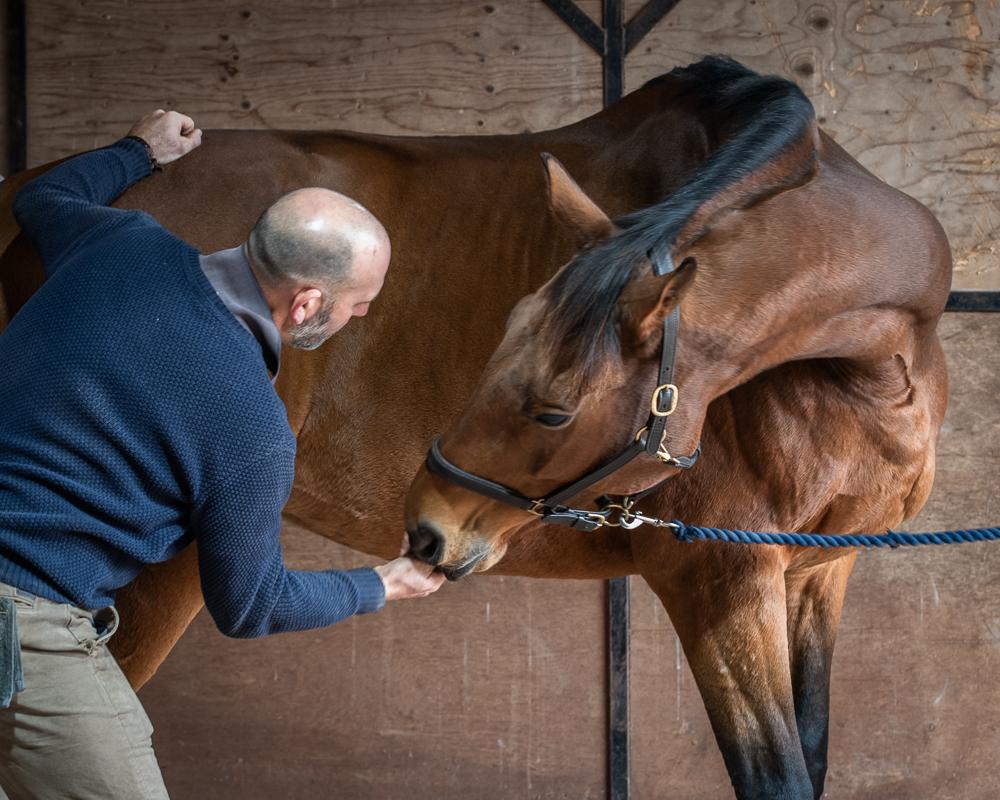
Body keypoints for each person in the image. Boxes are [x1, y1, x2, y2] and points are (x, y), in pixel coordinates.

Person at [0, 109, 444, 799]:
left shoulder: (117, 240)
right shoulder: (252, 426)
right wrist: (383, 584)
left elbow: (40, 198)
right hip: (23, 620)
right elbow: (252, 605)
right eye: (359, 303)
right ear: (306, 305)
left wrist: (139, 150)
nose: (361, 315)